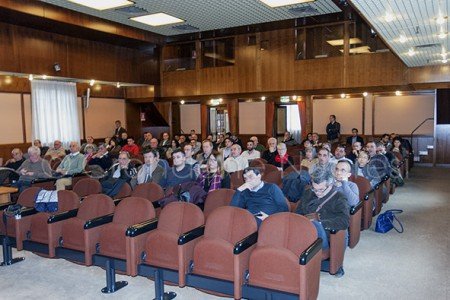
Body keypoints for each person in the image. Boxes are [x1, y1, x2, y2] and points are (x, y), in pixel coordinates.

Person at [295, 168, 349, 274]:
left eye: (321, 189)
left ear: (330, 185)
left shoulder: (339, 198)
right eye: (314, 189)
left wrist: (320, 223)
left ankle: (322, 253)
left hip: (326, 235)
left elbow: (344, 221)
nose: (317, 193)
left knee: (315, 225)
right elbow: (298, 213)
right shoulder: (308, 193)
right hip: (304, 231)